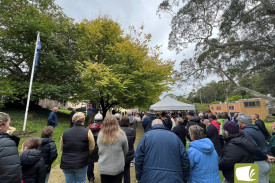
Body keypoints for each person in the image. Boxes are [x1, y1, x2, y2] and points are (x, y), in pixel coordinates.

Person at [135, 119, 190, 183]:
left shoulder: (146, 136)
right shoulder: (174, 137)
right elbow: (184, 158)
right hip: (173, 177)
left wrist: (139, 176)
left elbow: (138, 158)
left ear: (152, 126)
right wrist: (185, 177)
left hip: (150, 177)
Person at [238, 114, 274, 183]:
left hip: (258, 162)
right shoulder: (256, 129)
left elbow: (253, 147)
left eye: (238, 121)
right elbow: (265, 144)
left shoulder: (246, 132)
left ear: (241, 122)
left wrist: (265, 157)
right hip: (265, 161)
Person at [60, 112, 95, 183]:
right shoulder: (88, 132)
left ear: (73, 120)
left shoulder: (65, 132)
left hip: (66, 163)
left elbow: (61, 148)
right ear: (83, 120)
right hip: (81, 162)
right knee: (81, 181)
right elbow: (92, 147)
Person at [97, 115, 128, 183]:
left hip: (104, 166)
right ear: (116, 123)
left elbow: (99, 148)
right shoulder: (122, 134)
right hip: (117, 167)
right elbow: (126, 151)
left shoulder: (100, 135)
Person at [0, 112, 22, 183]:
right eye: (8, 124)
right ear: (1, 125)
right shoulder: (7, 143)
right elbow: (12, 174)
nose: (9, 127)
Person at [87, 111, 103, 183]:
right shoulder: (104, 128)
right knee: (102, 162)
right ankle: (103, 177)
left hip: (91, 148)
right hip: (101, 148)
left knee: (90, 163)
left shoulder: (88, 127)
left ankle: (91, 178)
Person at [120, 116, 136, 183]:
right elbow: (133, 140)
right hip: (129, 153)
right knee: (127, 171)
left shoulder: (118, 130)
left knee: (120, 172)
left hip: (120, 153)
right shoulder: (132, 130)